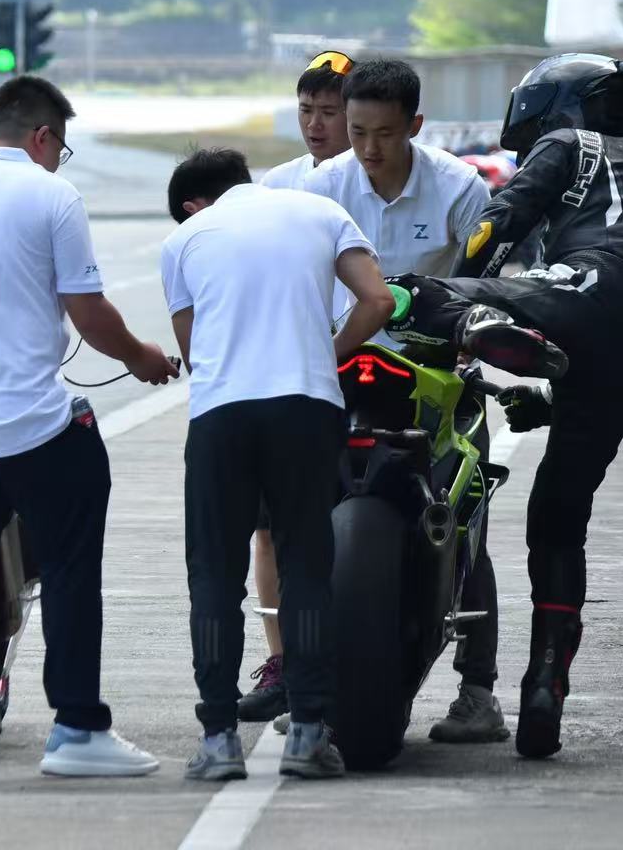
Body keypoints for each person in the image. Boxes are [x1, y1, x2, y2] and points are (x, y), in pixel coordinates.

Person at [385, 52, 623, 760]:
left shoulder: (567, 143)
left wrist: (463, 299)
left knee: (416, 292)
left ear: (556, 107)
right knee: (558, 519)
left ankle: (480, 328)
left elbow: (497, 226)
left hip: (580, 286)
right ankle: (546, 683)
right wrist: (553, 397)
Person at [0, 76, 178, 780]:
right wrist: (141, 357)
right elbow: (88, 312)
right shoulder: (52, 196)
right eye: (61, 148)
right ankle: (77, 727)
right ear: (43, 137)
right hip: (30, 424)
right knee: (72, 560)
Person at [164, 148, 395, 783]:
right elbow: (378, 302)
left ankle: (218, 740)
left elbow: (194, 348)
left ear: (197, 202)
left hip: (221, 415)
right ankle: (310, 733)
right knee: (306, 568)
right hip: (306, 408)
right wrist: (325, 349)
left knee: (214, 575)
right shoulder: (320, 212)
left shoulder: (183, 240)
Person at [301, 57, 506, 744]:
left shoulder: (460, 189)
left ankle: (478, 691)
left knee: (465, 519)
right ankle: (299, 677)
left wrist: (474, 345)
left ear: (415, 125)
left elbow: (489, 282)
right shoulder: (321, 187)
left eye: (384, 133)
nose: (367, 148)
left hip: (438, 377)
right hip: (339, 370)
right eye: (357, 130)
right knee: (300, 514)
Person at [241, 49, 354, 723]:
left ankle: (470, 678)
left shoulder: (383, 181)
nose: (316, 125)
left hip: (380, 373)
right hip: (297, 377)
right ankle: (282, 663)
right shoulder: (278, 186)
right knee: (269, 527)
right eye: (307, 110)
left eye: (330, 112)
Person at [261, 49, 355, 190]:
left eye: (328, 112)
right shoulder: (276, 183)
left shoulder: (376, 183)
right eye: (306, 110)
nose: (313, 124)